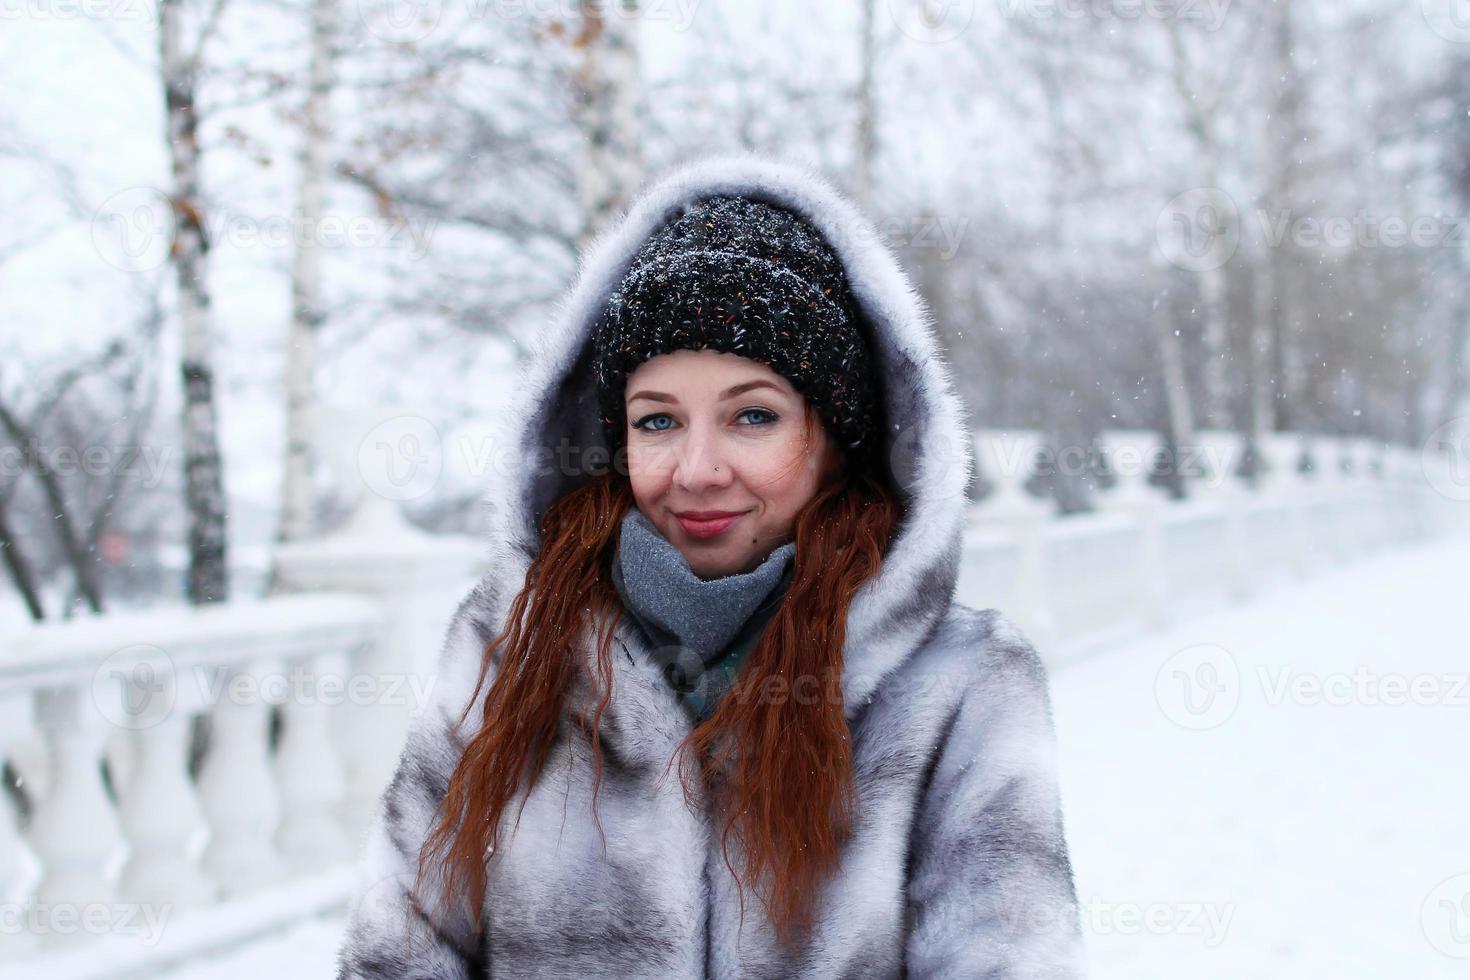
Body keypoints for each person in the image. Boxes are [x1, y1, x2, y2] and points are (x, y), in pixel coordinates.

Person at [336, 152, 1084, 978]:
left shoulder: (959, 685)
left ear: (837, 439)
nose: (696, 469)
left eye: (752, 416)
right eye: (657, 422)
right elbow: (401, 947)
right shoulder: (511, 644)